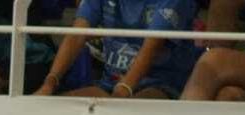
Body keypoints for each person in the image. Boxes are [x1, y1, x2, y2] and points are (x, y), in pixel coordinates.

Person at [34, 0, 200, 98]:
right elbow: (77, 35)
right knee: (56, 109)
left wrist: (122, 91)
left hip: (162, 86)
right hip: (109, 85)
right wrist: (50, 82)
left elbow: (152, 47)